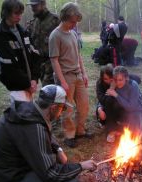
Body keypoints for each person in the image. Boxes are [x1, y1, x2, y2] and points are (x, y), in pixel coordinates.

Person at [0, 84, 97, 182]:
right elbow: (51, 174)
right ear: (54, 107)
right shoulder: (33, 127)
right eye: (63, 108)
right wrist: (81, 166)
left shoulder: (30, 110)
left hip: (4, 170)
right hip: (10, 180)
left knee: (57, 161)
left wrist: (58, 149)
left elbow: (46, 133)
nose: (62, 112)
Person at [49, 2, 92, 148]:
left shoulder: (73, 33)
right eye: (72, 21)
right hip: (65, 76)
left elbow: (78, 55)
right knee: (68, 108)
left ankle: (80, 130)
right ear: (64, 17)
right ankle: (69, 135)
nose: (74, 24)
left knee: (84, 105)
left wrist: (84, 73)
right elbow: (54, 60)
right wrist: (62, 81)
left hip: (78, 75)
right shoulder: (55, 35)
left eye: (76, 22)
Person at [0, 0, 40, 102]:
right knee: (22, 116)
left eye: (21, 13)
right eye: (16, 13)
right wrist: (27, 84)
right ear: (6, 13)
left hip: (30, 84)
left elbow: (34, 55)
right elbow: (8, 67)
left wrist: (34, 79)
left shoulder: (23, 31)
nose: (19, 16)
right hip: (17, 88)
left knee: (29, 113)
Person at [96, 65, 141, 142]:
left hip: (129, 109)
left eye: (111, 79)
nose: (109, 81)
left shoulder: (122, 81)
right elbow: (101, 99)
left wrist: (115, 94)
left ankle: (122, 125)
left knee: (134, 130)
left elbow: (137, 79)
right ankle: (111, 129)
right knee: (109, 101)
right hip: (110, 106)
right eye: (105, 79)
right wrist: (99, 108)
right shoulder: (101, 84)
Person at [26, 0, 60, 87]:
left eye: (35, 6)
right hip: (40, 65)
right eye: (31, 6)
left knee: (52, 92)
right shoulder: (32, 23)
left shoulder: (56, 20)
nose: (33, 8)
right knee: (47, 91)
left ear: (43, 4)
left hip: (54, 64)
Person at [106, 66, 142, 137]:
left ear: (126, 78)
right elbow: (105, 101)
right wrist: (111, 88)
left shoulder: (133, 86)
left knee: (134, 135)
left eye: (120, 80)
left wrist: (116, 95)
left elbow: (131, 107)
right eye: (115, 80)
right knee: (110, 105)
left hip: (136, 112)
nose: (118, 83)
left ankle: (134, 127)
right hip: (122, 111)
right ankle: (116, 127)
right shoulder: (114, 84)